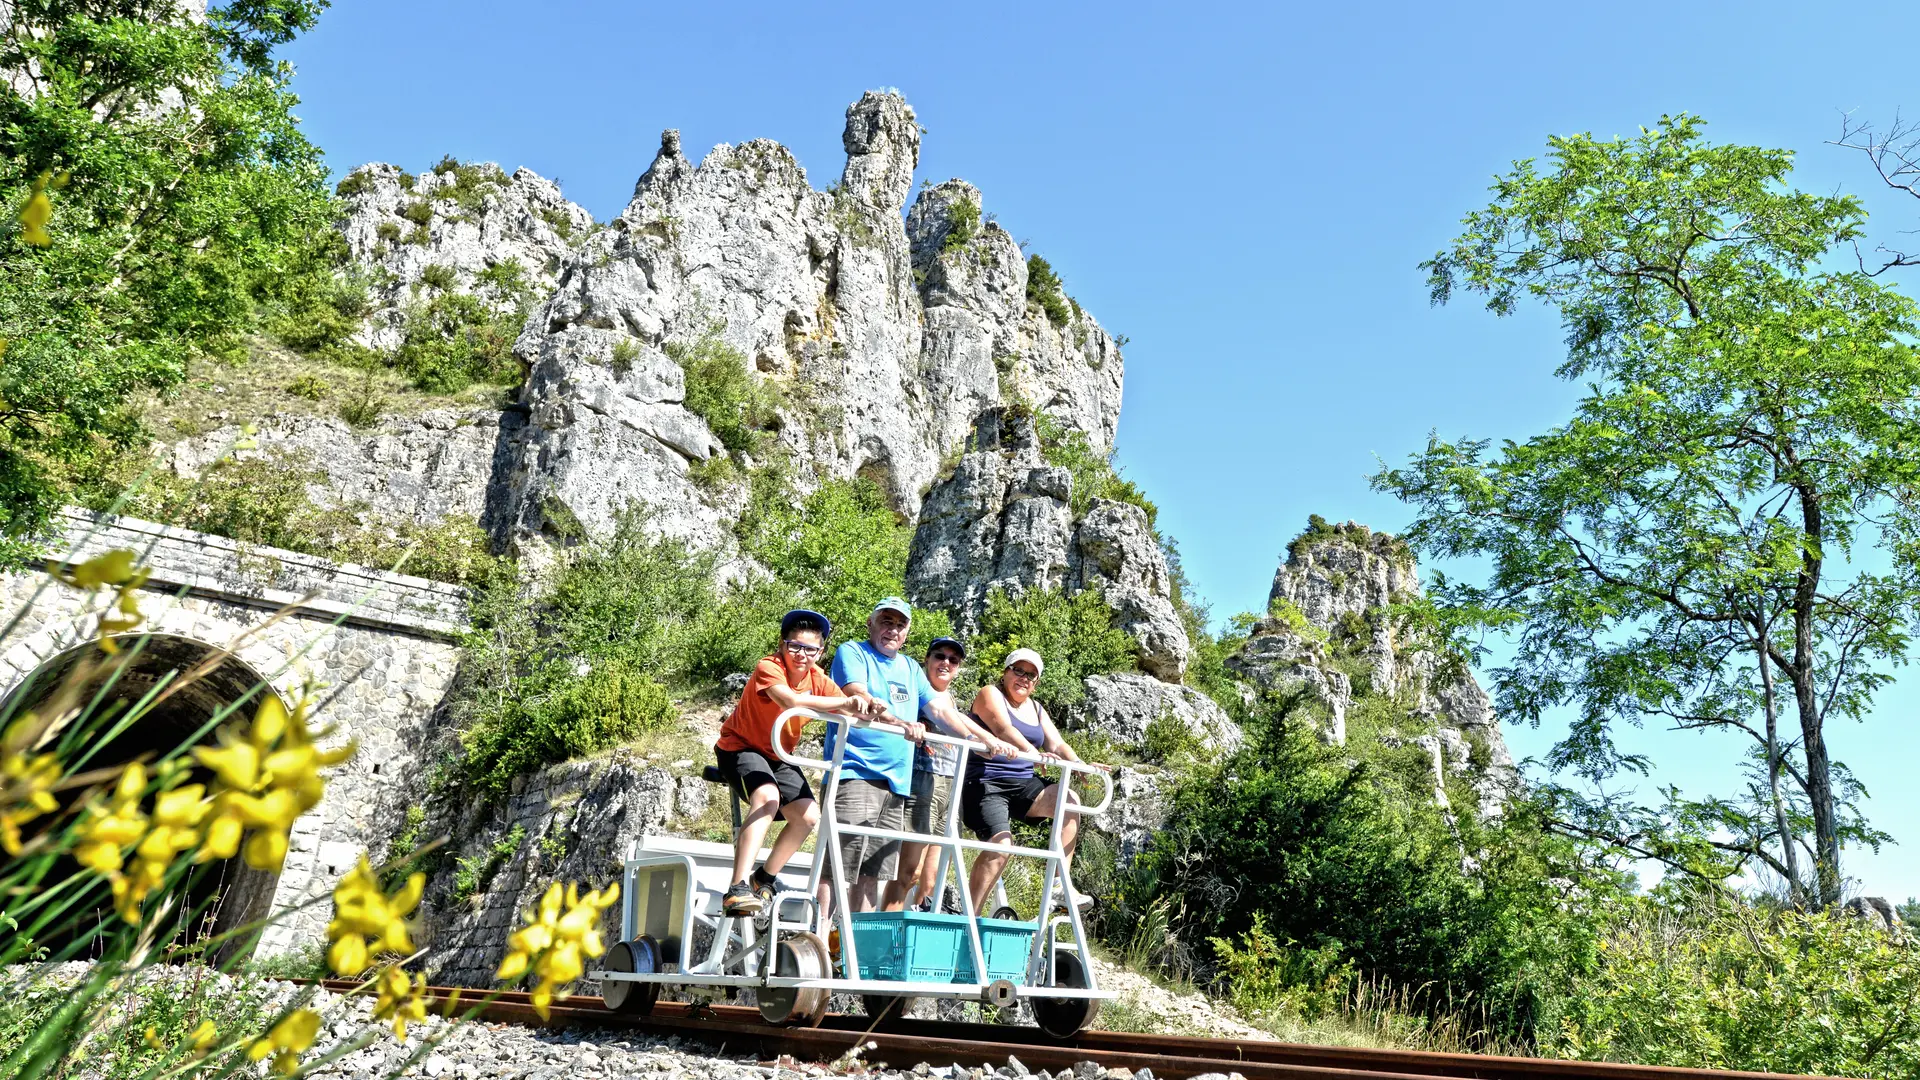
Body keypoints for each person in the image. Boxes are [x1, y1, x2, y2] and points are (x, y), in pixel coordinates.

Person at [825, 597, 995, 913]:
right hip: (857, 770)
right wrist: (900, 723)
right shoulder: (853, 651)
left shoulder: (909, 668)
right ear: (871, 623)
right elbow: (858, 693)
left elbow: (942, 711)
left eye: (900, 624)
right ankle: (820, 937)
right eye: (886, 621)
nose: (892, 630)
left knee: (871, 872)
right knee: (838, 864)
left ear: (906, 633)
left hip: (896, 782)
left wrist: (979, 740)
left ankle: (855, 946)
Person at [711, 609, 860, 918]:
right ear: (782, 645)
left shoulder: (819, 680)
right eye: (794, 646)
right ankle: (737, 888)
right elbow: (789, 700)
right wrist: (846, 702)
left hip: (778, 754)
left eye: (810, 649)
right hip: (741, 747)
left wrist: (874, 708)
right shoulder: (769, 666)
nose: (801, 655)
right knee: (767, 798)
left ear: (820, 653)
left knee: (808, 815)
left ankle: (764, 877)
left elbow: (854, 713)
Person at [883, 636, 1014, 913]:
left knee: (932, 878)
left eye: (953, 660)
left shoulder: (948, 698)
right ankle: (883, 938)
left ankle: (915, 939)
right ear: (927, 661)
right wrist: (984, 740)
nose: (946, 663)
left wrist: (990, 740)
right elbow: (944, 715)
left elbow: (959, 717)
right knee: (909, 871)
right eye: (940, 656)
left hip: (951, 784)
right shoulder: (917, 689)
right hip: (923, 779)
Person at [961, 648, 1092, 914]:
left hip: (1022, 784)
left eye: (1031, 675)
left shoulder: (1036, 708)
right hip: (987, 782)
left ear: (1037, 682)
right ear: (1005, 673)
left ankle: (1059, 882)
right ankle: (969, 916)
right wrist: (1034, 754)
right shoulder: (990, 694)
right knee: (1001, 847)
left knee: (1069, 801)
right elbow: (1002, 729)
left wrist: (1079, 764)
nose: (1024, 678)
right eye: (1018, 671)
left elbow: (1056, 743)